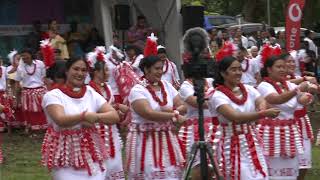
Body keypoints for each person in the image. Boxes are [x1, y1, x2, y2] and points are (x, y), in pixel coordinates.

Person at [41, 57, 120, 180]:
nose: (80, 73)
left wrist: (96, 117)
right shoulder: (53, 95)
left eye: (84, 70)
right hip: (65, 156)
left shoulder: (90, 93)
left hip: (90, 153)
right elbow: (60, 119)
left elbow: (114, 116)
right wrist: (83, 117)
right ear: (67, 71)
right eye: (76, 69)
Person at [209, 56, 280, 179]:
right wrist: (262, 114)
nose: (238, 73)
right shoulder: (217, 95)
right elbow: (235, 117)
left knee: (261, 176)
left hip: (251, 140)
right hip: (231, 143)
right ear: (223, 73)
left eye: (239, 69)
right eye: (233, 70)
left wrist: (261, 107)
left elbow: (261, 100)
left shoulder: (248, 89)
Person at [126, 55, 186, 179]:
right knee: (150, 172)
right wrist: (174, 115)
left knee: (171, 172)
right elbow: (149, 113)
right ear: (147, 70)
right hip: (145, 140)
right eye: (156, 68)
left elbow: (182, 105)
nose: (160, 72)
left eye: (161, 68)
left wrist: (173, 112)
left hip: (166, 138)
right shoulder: (137, 90)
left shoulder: (166, 86)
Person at [257, 56, 312, 180]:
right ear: (269, 69)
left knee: (291, 169)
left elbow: (301, 99)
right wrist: (298, 90)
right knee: (273, 167)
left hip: (290, 131)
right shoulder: (264, 85)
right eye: (279, 67)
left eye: (284, 67)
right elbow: (277, 99)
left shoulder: (287, 84)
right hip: (271, 133)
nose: (283, 70)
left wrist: (309, 94)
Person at [87, 49, 127, 179]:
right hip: (96, 132)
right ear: (96, 72)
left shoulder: (108, 88)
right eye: (106, 70)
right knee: (99, 163)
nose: (108, 72)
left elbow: (111, 108)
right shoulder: (88, 90)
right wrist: (116, 107)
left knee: (114, 161)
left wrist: (118, 112)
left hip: (111, 131)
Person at [178, 69, 218, 179]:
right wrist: (219, 102)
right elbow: (198, 102)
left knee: (213, 168)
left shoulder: (210, 81)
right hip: (195, 129)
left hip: (213, 128)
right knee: (199, 167)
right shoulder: (185, 86)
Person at [284, 53, 318, 180]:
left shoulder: (299, 77)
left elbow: (313, 87)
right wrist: (304, 80)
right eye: (288, 62)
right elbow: (288, 83)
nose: (292, 64)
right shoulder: (276, 82)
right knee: (288, 162)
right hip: (287, 124)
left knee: (305, 161)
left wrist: (311, 86)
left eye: (293, 61)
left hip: (302, 122)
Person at [15, 49, 47, 133]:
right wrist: (16, 97)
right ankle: (33, 128)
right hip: (27, 92)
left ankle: (44, 127)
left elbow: (44, 77)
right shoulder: (20, 67)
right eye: (23, 56)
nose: (24, 57)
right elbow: (17, 82)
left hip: (40, 90)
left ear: (31, 55)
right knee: (30, 111)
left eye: (26, 55)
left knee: (42, 109)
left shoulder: (40, 64)